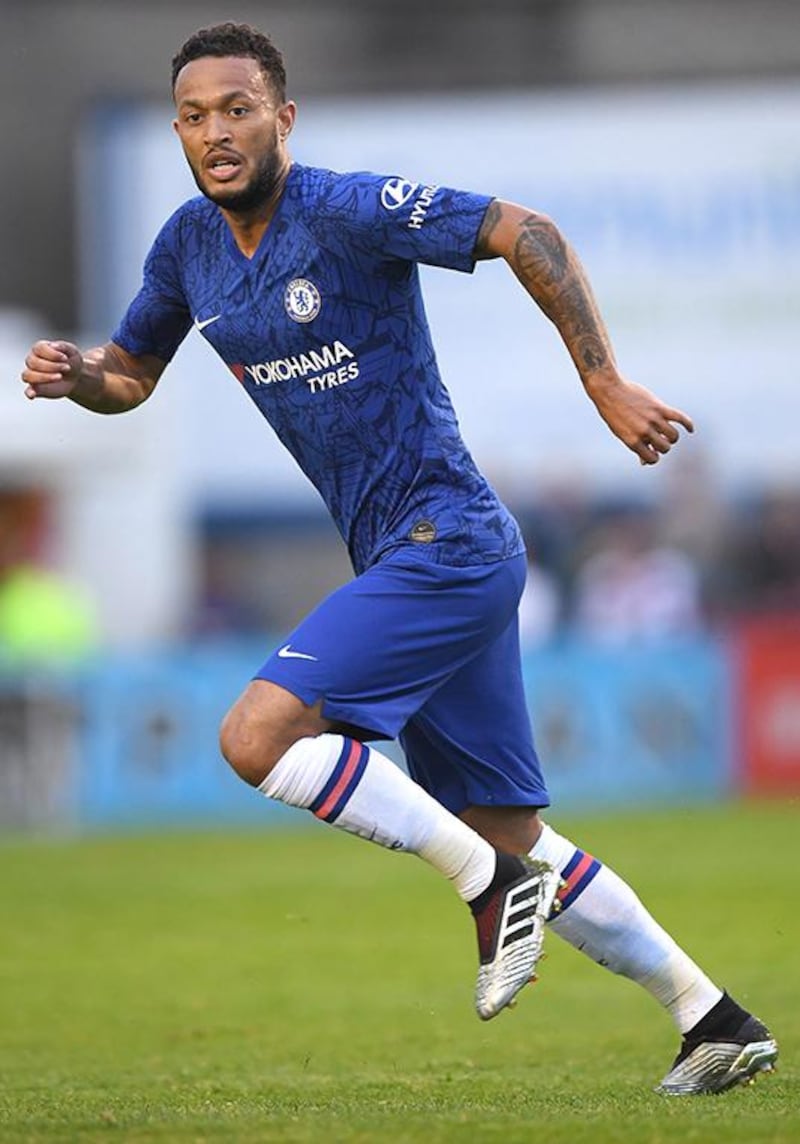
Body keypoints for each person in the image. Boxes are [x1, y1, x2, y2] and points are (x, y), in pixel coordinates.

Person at [20, 22, 777, 1095]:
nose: (215, 132)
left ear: (283, 117)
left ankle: (482, 886)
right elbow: (132, 374)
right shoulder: (187, 246)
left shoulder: (345, 208)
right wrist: (77, 373)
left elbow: (526, 230)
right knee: (514, 829)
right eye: (193, 116)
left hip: (449, 540)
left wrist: (601, 380)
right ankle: (711, 1018)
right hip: (403, 557)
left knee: (254, 735)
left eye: (238, 108)